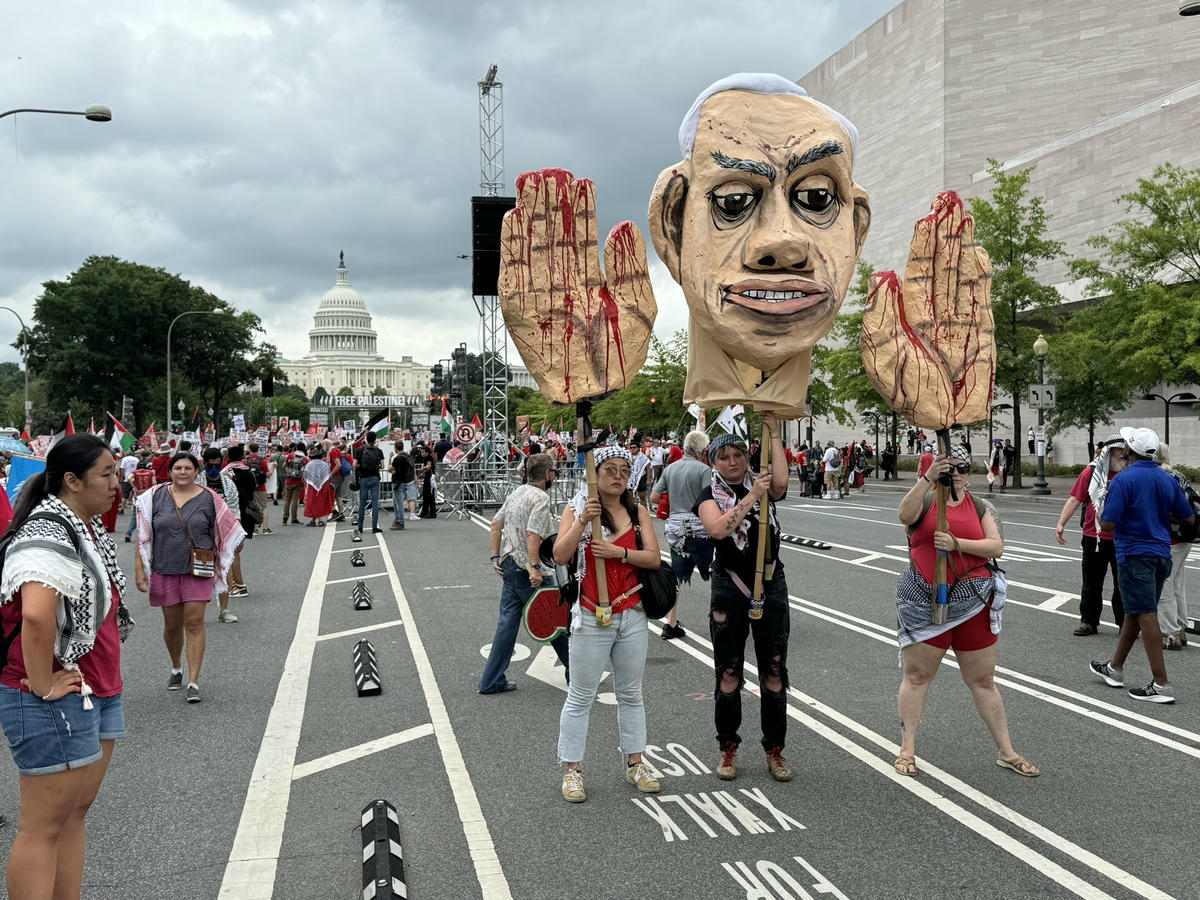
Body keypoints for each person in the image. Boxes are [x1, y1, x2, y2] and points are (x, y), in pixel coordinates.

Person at [0, 435, 133, 900]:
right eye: (107, 475)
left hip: (91, 685)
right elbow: (36, 612)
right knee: (42, 828)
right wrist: (41, 682)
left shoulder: (83, 524)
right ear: (72, 481)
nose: (117, 483)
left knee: (71, 817)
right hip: (52, 694)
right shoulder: (49, 529)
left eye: (116, 473)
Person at [893, 445, 1038, 777]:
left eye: (961, 468)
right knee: (917, 676)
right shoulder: (926, 501)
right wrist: (928, 480)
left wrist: (957, 543)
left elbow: (995, 546)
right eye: (948, 468)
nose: (955, 474)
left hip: (974, 601)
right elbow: (904, 515)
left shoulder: (980, 506)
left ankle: (1006, 751)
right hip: (926, 601)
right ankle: (907, 749)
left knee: (983, 679)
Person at [553, 446, 662, 803]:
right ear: (594, 474)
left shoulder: (638, 511)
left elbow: (654, 558)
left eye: (624, 471)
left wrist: (620, 553)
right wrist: (584, 520)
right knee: (581, 695)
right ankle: (572, 770)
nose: (618, 476)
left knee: (631, 692)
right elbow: (559, 555)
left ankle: (635, 762)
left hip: (631, 612)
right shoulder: (576, 509)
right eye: (610, 470)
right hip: (591, 613)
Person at [694, 421, 792, 782]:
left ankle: (775, 749)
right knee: (730, 672)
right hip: (729, 586)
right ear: (713, 463)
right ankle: (728, 747)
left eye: (738, 455)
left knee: (775, 671)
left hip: (770, 581)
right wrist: (752, 497)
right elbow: (718, 528)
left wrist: (774, 430)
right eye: (724, 457)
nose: (732, 462)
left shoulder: (764, 481)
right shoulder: (707, 495)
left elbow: (779, 484)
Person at [1090, 427, 1194, 704]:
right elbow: (1187, 517)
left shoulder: (1123, 480)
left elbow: (1109, 523)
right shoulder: (1166, 478)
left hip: (1134, 553)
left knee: (1145, 613)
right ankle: (1114, 668)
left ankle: (1161, 684)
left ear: (1128, 451)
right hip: (1162, 552)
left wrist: (1101, 509)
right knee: (1134, 613)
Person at [134, 452, 245, 700]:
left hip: (199, 569)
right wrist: (139, 567)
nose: (182, 472)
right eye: (177, 468)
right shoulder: (154, 497)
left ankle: (194, 681)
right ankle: (176, 667)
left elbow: (229, 526)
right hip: (165, 568)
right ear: (170, 471)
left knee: (194, 622)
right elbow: (143, 534)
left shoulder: (210, 498)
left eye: (187, 468)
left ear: (197, 472)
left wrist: (232, 544)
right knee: (172, 625)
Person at [479, 453, 567, 693]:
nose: (555, 476)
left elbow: (496, 524)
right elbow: (533, 535)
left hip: (509, 564)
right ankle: (576, 674)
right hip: (529, 567)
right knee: (555, 621)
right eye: (555, 472)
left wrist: (495, 556)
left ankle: (491, 679)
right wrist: (536, 568)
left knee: (507, 624)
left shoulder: (516, 493)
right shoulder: (541, 498)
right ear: (547, 474)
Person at [1054, 436, 1127, 635]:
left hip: (1123, 538)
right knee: (1091, 583)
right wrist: (1061, 523)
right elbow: (1075, 499)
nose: (1123, 454)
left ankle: (1124, 625)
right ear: (1109, 452)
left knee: (1123, 585)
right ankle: (1089, 621)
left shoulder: (1129, 473)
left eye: (1125, 450)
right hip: (1093, 536)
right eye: (1119, 450)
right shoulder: (1092, 472)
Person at [649, 430, 714, 641]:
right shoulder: (704, 470)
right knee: (715, 571)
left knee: (678, 575)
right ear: (702, 450)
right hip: (700, 525)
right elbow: (710, 499)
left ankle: (671, 621)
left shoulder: (670, 469)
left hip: (676, 527)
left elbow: (654, 497)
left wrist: (674, 503)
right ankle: (718, 616)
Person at [1155, 442, 1194, 651]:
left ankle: (1169, 633)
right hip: (1185, 536)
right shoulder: (1178, 475)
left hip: (1168, 538)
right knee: (1178, 585)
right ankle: (1181, 628)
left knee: (1164, 586)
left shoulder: (1159, 477)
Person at [353, 431, 385, 539]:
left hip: (363, 479)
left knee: (362, 502)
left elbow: (354, 464)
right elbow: (382, 465)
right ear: (375, 439)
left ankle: (360, 526)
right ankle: (374, 526)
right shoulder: (378, 451)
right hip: (375, 478)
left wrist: (360, 467)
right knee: (375, 502)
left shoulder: (360, 450)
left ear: (366, 439)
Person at [302, 445, 335, 526]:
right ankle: (317, 520)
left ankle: (316, 520)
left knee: (312, 502)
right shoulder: (324, 464)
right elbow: (328, 475)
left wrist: (306, 485)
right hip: (324, 485)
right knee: (321, 502)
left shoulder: (309, 464)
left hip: (312, 486)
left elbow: (305, 476)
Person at [388, 444, 415, 531]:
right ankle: (398, 520)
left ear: (396, 448)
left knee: (398, 502)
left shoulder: (398, 458)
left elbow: (390, 469)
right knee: (398, 502)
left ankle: (400, 521)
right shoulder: (408, 457)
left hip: (397, 482)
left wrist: (390, 458)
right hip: (405, 481)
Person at [281, 441, 307, 525]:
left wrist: (289, 471)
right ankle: (294, 518)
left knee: (287, 500)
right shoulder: (304, 458)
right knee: (295, 500)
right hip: (298, 481)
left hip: (289, 480)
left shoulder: (290, 455)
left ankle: (285, 518)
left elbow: (283, 466)